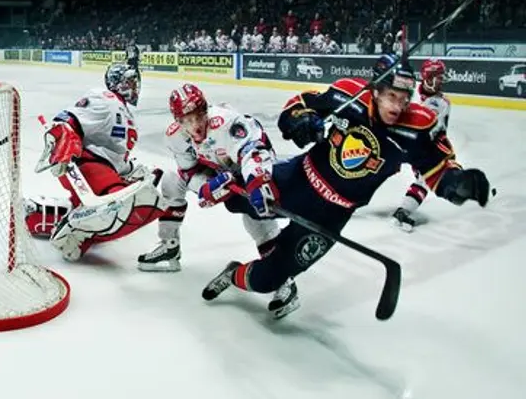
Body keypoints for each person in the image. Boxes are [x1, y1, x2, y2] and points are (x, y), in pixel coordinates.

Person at [201, 54, 490, 315]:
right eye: (391, 95)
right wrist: (302, 122)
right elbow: (296, 107)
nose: (397, 106)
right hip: (299, 178)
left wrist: (458, 183)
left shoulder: (417, 127)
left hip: (332, 214)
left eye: (404, 98)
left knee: (266, 280)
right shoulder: (348, 93)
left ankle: (235, 272)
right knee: (233, 198)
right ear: (375, 89)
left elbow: (439, 167)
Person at [137, 83, 300, 319]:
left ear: (206, 110)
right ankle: (169, 247)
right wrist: (205, 189)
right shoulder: (175, 136)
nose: (195, 125)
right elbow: (189, 171)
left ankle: (283, 279)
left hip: (253, 169)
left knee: (256, 219)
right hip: (219, 172)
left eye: (198, 116)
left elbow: (254, 151)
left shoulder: (225, 122)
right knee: (172, 180)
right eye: (186, 120)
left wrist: (254, 181)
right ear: (178, 120)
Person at [24, 63, 166, 262]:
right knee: (119, 206)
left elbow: (114, 154)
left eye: (135, 83)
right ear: (118, 83)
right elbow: (68, 120)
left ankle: (37, 214)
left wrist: (132, 171)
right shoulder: (104, 98)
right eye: (130, 82)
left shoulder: (124, 111)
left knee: (120, 206)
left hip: (103, 169)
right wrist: (63, 137)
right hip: (84, 166)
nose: (135, 87)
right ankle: (72, 231)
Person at [392, 58, 451, 231]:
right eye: (439, 77)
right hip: (397, 139)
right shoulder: (411, 91)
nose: (442, 80)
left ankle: (403, 211)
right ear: (429, 78)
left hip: (420, 145)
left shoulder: (442, 103)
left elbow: (438, 132)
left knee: (425, 178)